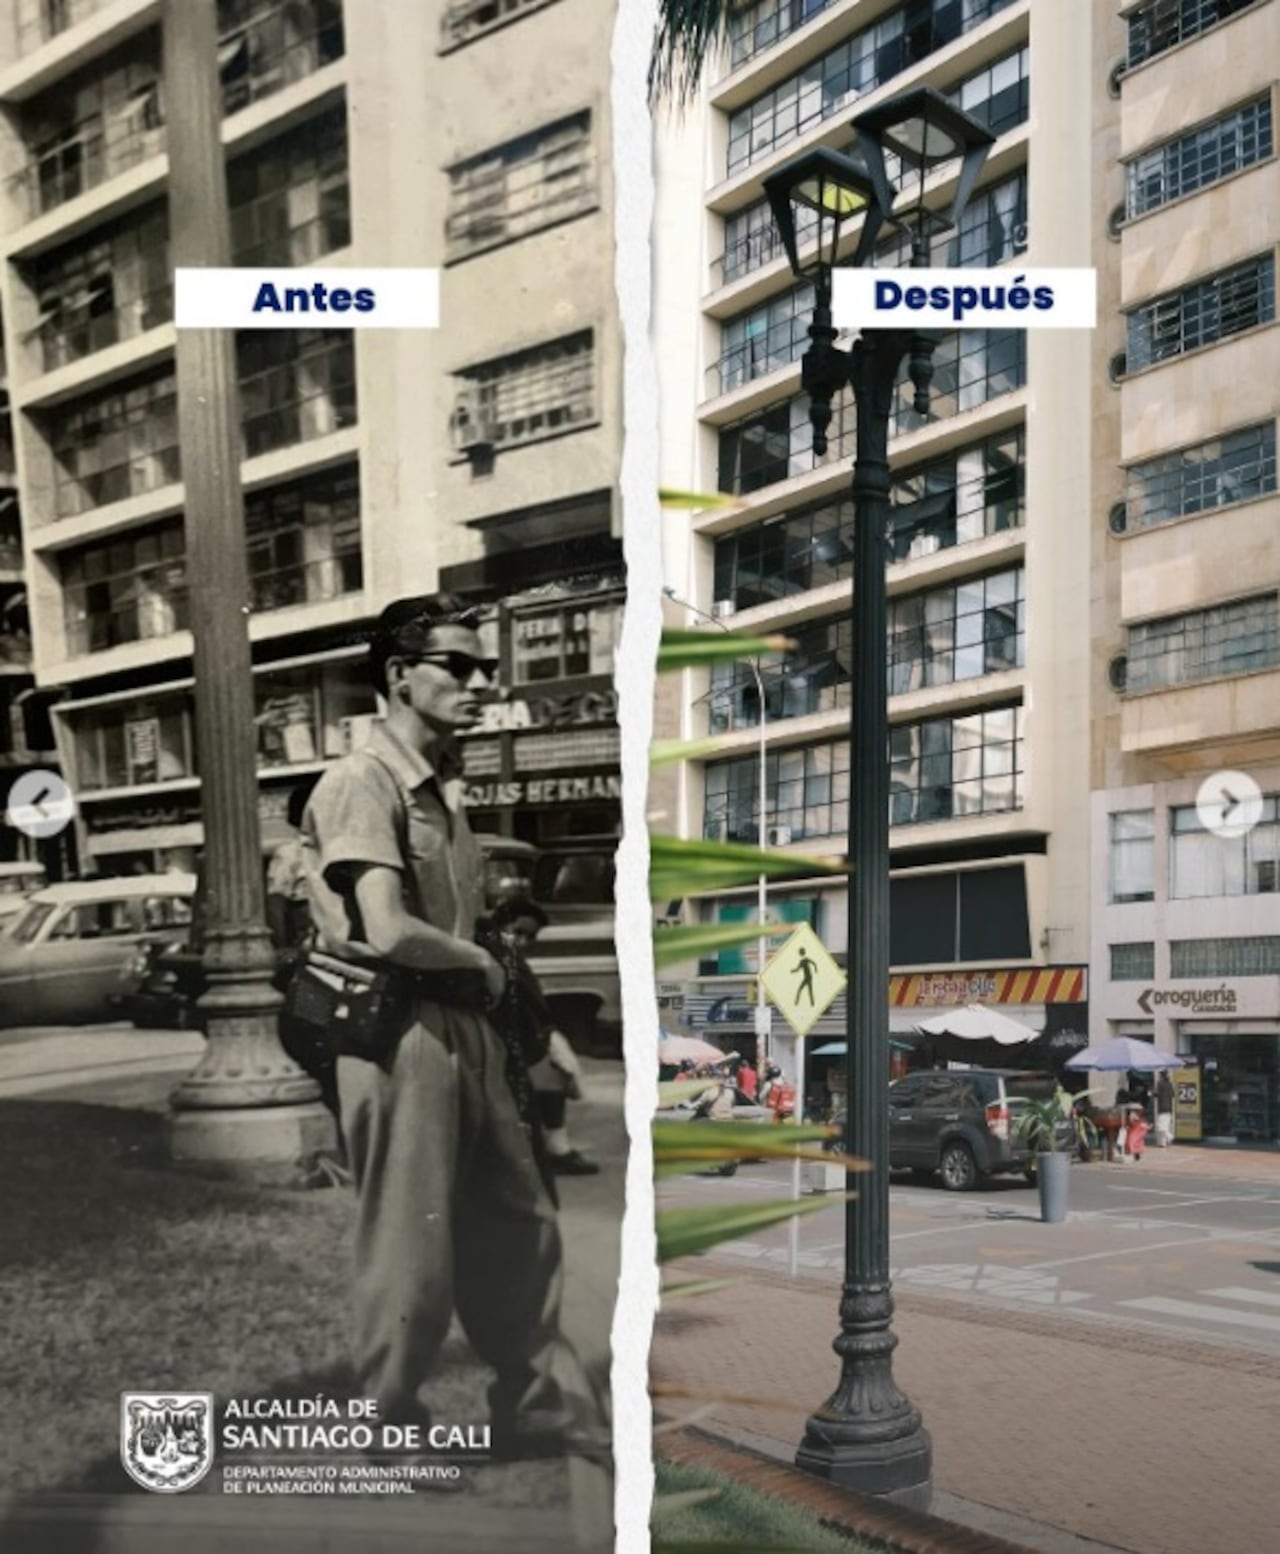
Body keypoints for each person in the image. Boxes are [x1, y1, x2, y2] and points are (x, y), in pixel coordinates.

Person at [299, 594, 603, 1459]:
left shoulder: (440, 790)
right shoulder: (362, 781)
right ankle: (389, 1427)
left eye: (485, 669)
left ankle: (536, 1409)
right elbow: (387, 928)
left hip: (468, 1027)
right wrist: (479, 962)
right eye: (457, 667)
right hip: (399, 1028)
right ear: (400, 675)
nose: (478, 683)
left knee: (519, 1220)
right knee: (412, 1240)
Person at [489, 897, 599, 1176]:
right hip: (510, 1039)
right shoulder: (495, 957)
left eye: (531, 936)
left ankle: (552, 1148)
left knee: (554, 1080)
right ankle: (556, 1151)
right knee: (550, 1081)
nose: (524, 941)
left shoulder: (509, 956)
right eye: (518, 932)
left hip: (526, 1036)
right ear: (501, 925)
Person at [1155, 1071, 1175, 1147]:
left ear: (1162, 1076)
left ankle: (1170, 1137)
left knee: (1160, 1127)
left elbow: (1157, 1094)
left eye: (1159, 1076)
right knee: (1165, 1126)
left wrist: (1150, 1093)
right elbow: (1173, 1094)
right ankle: (1162, 1143)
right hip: (1169, 1107)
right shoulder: (1170, 1084)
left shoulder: (1160, 1084)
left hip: (1162, 1108)